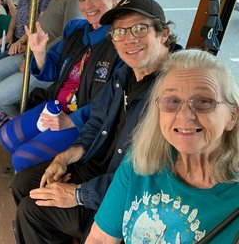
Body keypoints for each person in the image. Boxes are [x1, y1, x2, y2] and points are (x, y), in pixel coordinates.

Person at [11, 0, 181, 244]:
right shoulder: (124, 73)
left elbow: (147, 179)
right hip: (97, 167)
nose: (128, 39)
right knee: (22, 182)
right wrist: (64, 157)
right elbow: (96, 122)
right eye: (119, 32)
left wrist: (79, 195)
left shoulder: (175, 92)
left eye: (139, 28)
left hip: (122, 197)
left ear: (163, 33)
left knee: (32, 211)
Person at [86, 49, 239, 243]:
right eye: (172, 101)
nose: (184, 115)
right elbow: (101, 239)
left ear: (233, 115)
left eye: (203, 102)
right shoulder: (140, 161)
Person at [0, 0, 123, 171]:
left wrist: (72, 121)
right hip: (56, 106)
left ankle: (42, 178)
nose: (87, 6)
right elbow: (51, 71)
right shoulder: (75, 29)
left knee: (21, 160)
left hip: (84, 121)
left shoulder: (120, 43)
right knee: (6, 137)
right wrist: (39, 54)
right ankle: (37, 170)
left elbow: (111, 101)